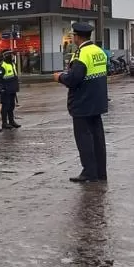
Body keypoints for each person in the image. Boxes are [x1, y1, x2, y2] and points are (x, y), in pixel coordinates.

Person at [54, 22, 109, 183]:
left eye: (73, 36)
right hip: (97, 102)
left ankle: (89, 172)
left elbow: (74, 79)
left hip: (83, 103)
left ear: (77, 37)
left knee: (84, 140)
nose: (72, 38)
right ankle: (100, 172)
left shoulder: (81, 54)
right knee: (98, 139)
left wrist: (60, 77)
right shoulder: (99, 51)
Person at [0, 50, 21, 129]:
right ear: (5, 56)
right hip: (5, 90)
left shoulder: (12, 64)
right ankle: (4, 123)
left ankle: (11, 121)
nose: (12, 56)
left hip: (12, 89)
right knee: (5, 107)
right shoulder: (2, 65)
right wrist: (1, 88)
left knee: (11, 106)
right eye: (10, 55)